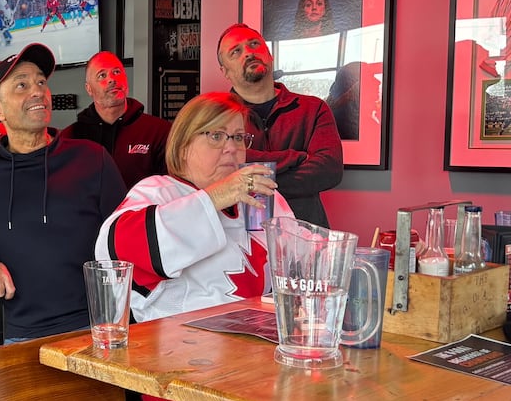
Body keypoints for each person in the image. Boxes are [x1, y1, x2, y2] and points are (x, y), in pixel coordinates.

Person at [0, 44, 128, 340]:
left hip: (93, 328)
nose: (37, 92)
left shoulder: (90, 158)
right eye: (22, 85)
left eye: (41, 83)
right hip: (19, 335)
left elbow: (124, 235)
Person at [95, 92, 293, 322]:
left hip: (256, 342)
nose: (231, 148)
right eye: (217, 136)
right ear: (183, 147)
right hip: (178, 346)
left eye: (238, 137)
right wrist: (217, 196)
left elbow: (302, 257)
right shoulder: (158, 191)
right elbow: (113, 249)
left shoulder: (262, 196)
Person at [217, 24, 343, 228]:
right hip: (238, 242)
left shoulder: (313, 108)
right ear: (225, 71)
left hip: (306, 240)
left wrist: (247, 176)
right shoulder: (215, 117)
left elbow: (329, 171)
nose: (248, 52)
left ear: (269, 54)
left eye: (254, 44)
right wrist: (295, 157)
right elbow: (215, 172)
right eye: (236, 51)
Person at [60, 51, 170, 188]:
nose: (112, 79)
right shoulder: (69, 138)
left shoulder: (160, 132)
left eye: (116, 72)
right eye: (102, 75)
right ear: (89, 89)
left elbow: (171, 190)